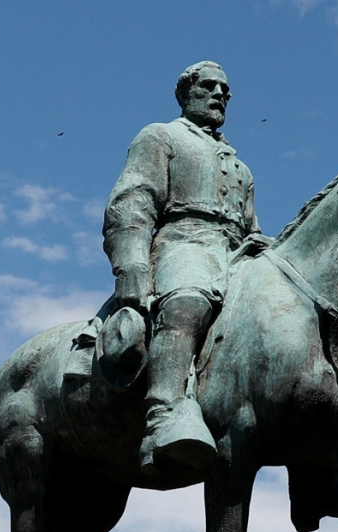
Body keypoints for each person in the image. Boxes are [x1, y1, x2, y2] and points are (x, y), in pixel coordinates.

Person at [102, 60, 262, 480]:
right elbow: (132, 202)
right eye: (209, 86)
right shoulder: (161, 136)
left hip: (236, 254)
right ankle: (164, 415)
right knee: (187, 302)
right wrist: (132, 264)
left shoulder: (241, 167)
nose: (219, 94)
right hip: (183, 244)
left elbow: (251, 226)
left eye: (225, 90)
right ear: (185, 93)